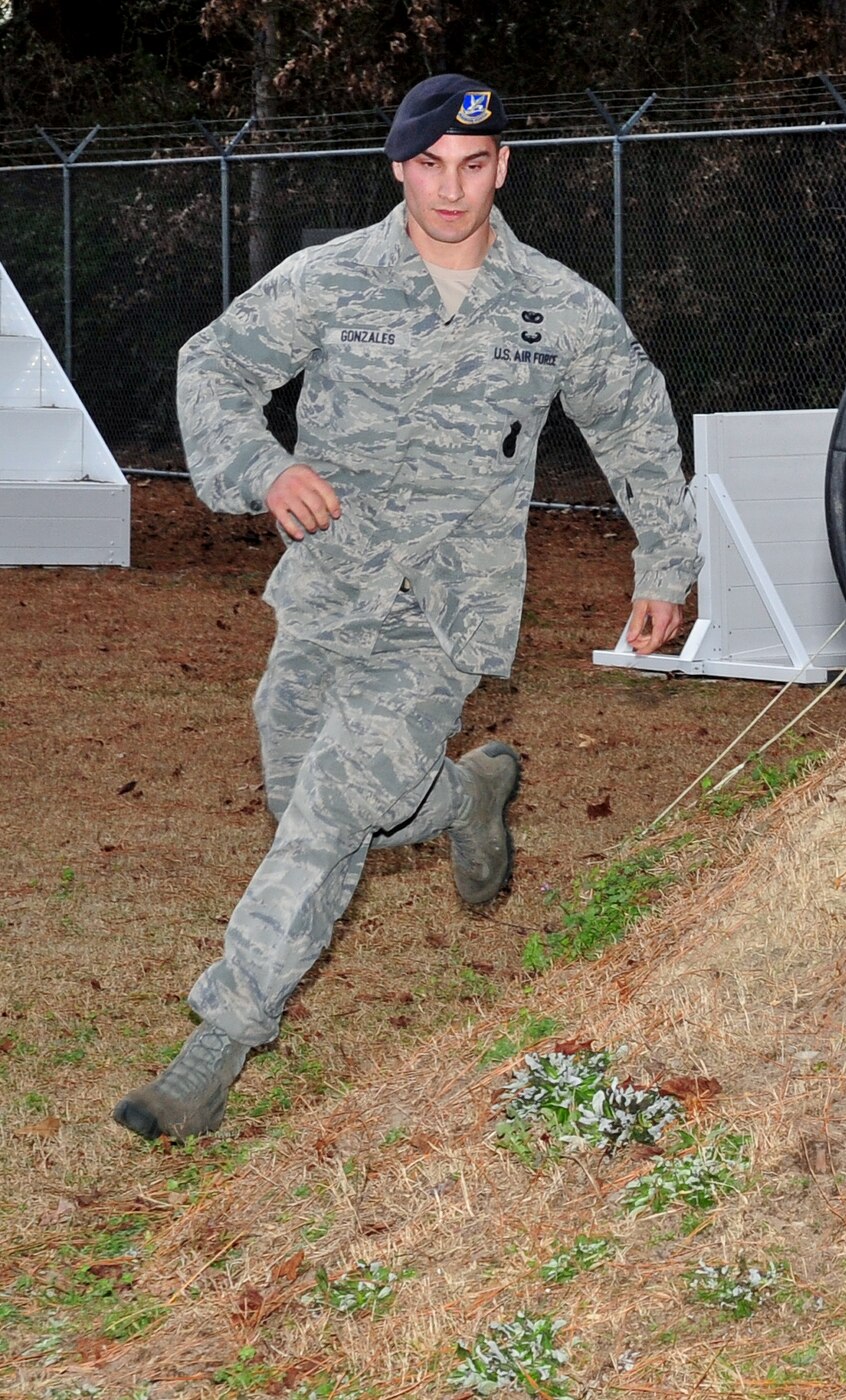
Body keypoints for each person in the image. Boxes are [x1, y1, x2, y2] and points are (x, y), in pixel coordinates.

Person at [113, 75, 698, 1141]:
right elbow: (213, 368)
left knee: (333, 806)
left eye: (473, 166)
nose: (450, 190)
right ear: (399, 168)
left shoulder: (553, 304)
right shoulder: (332, 279)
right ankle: (464, 795)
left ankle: (217, 1044)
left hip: (446, 609)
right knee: (302, 787)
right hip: (331, 585)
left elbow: (635, 421)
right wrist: (264, 469)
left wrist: (665, 562)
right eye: (429, 166)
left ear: (502, 167)